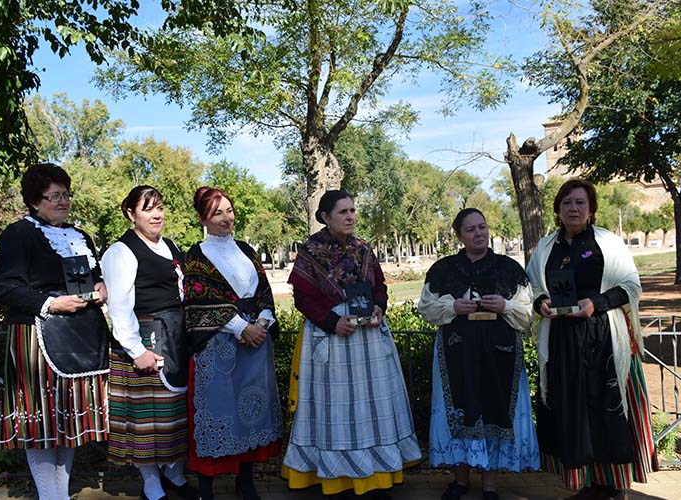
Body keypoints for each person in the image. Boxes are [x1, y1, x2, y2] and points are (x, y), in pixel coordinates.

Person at [282, 190, 422, 500]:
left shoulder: (363, 249)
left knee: (373, 404)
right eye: (343, 212)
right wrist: (333, 323)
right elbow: (303, 299)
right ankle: (337, 480)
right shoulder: (310, 252)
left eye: (353, 210)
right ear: (325, 217)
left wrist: (378, 308)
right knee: (336, 408)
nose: (350, 216)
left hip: (368, 339)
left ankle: (374, 477)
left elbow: (380, 287)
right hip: (331, 335)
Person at [526, 179, 657, 500]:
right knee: (574, 412)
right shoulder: (545, 248)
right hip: (561, 341)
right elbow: (530, 285)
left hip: (604, 339)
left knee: (606, 409)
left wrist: (595, 304)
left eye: (580, 203)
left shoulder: (608, 243)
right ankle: (587, 482)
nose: (573, 208)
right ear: (557, 209)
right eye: (567, 202)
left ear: (592, 209)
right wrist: (540, 301)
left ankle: (615, 486)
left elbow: (631, 285)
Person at [0, 163, 110, 500]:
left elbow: (95, 275)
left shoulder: (80, 236)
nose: (62, 201)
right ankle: (50, 496)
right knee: (41, 424)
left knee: (65, 423)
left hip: (82, 337)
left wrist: (102, 286)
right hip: (37, 337)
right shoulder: (19, 234)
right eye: (53, 196)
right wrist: (50, 303)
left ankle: (58, 493)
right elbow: (4, 287)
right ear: (34, 201)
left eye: (65, 194)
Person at [418, 208, 540, 500]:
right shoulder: (443, 269)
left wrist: (506, 307)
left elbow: (527, 315)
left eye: (483, 227)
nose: (479, 234)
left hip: (501, 353)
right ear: (459, 236)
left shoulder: (508, 269)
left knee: (494, 410)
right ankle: (460, 481)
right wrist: (452, 307)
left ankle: (490, 485)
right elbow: (426, 308)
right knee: (460, 412)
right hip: (456, 352)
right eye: (471, 229)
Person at [183, 187, 282, 500]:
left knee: (251, 413)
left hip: (255, 345)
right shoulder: (196, 256)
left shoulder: (247, 250)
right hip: (219, 345)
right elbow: (198, 301)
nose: (226, 218)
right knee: (219, 413)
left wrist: (263, 322)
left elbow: (264, 292)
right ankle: (207, 488)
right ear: (203, 218)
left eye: (228, 210)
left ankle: (246, 482)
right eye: (217, 213)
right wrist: (241, 327)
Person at [102, 186, 196, 500]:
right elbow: (118, 305)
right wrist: (136, 349)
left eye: (160, 207)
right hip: (144, 338)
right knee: (148, 421)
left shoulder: (169, 245)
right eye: (147, 209)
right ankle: (151, 486)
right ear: (131, 214)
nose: (157, 214)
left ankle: (174, 475)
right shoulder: (121, 250)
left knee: (174, 415)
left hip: (174, 335)